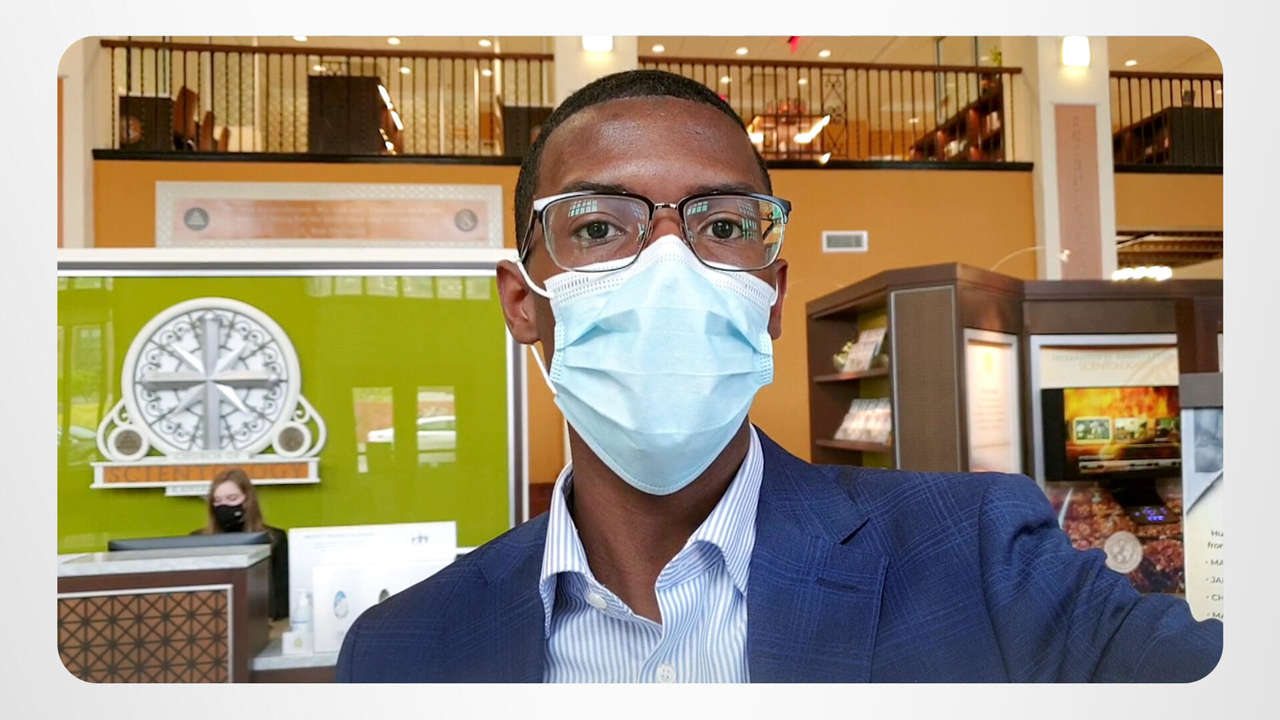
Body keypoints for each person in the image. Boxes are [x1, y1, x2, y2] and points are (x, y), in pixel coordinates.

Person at [336, 70, 1222, 683]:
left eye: (723, 227)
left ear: (770, 296)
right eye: (599, 227)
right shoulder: (403, 652)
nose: (670, 266)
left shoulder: (981, 559)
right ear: (522, 302)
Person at [195, 468, 289, 620]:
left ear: (247, 501)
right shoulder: (198, 540)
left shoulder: (275, 538)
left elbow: (283, 596)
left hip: (264, 622)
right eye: (218, 501)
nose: (224, 506)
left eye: (232, 498)